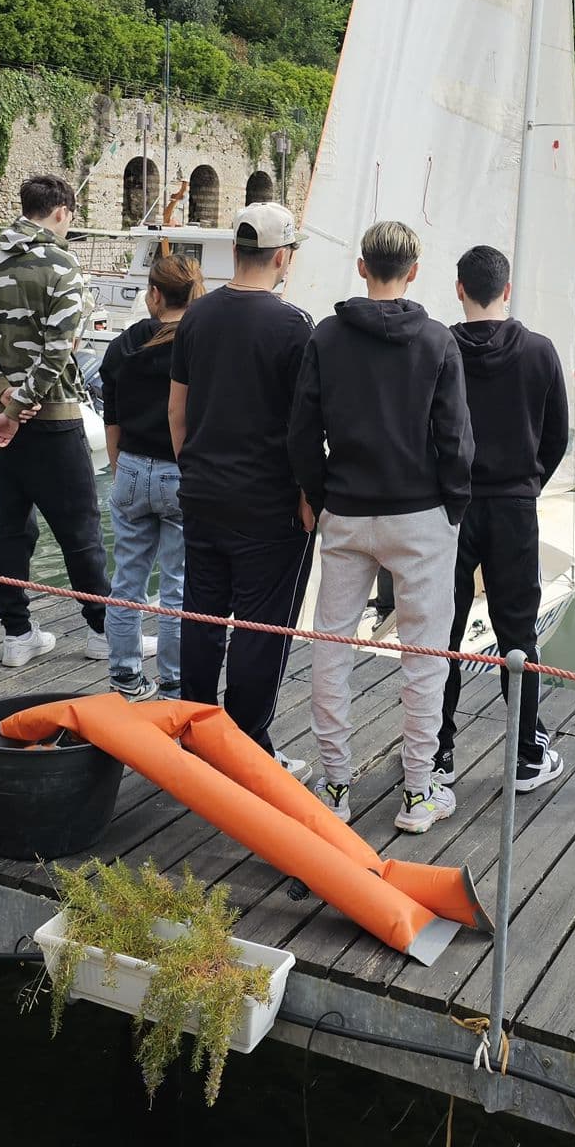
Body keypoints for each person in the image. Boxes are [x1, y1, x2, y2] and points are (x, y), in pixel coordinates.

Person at [288, 219, 473, 833]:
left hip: (346, 509)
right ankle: (419, 792)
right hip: (420, 516)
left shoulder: (327, 338)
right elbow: (455, 440)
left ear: (361, 266)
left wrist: (318, 493)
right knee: (423, 655)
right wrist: (453, 505)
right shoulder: (438, 341)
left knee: (331, 646)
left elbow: (301, 432)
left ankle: (336, 783)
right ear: (414, 271)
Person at [168, 204, 314, 774]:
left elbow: (176, 411)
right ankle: (249, 746)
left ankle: (196, 731)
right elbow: (304, 426)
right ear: (282, 257)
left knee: (201, 617)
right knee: (260, 628)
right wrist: (308, 494)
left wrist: (193, 470)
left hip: (202, 493)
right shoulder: (293, 326)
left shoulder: (196, 318)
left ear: (235, 252)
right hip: (267, 504)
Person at [0, 174, 112, 666]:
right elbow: (59, 349)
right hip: (53, 419)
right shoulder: (63, 265)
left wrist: (3, 401)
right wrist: (20, 408)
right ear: (62, 212)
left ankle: (16, 635)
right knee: (80, 530)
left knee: (9, 524)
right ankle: (103, 632)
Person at [435, 244, 569, 792]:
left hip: (453, 506)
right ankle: (527, 753)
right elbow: (557, 434)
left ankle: (436, 750)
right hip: (515, 506)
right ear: (507, 290)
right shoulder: (539, 351)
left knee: (441, 631)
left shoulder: (438, 349)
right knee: (519, 634)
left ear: (459, 289)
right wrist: (530, 479)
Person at [101, 252, 204, 701]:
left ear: (155, 294)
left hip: (130, 467)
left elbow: (112, 416)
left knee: (127, 582)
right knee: (177, 587)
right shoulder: (200, 343)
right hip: (178, 473)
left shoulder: (123, 344)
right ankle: (174, 681)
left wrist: (118, 462)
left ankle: (125, 678)